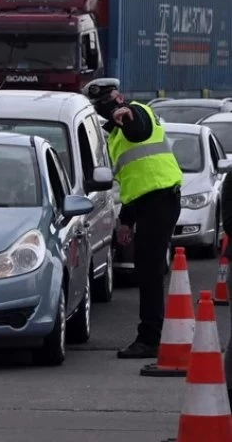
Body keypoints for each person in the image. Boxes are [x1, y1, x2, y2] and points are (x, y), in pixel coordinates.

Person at [82, 78, 183, 360]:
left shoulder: (137, 113)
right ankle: (151, 335)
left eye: (110, 101)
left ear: (120, 97)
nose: (107, 108)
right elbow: (134, 180)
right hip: (150, 203)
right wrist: (127, 220)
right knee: (145, 269)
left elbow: (138, 128)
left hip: (161, 201)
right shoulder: (115, 137)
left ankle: (150, 338)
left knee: (149, 271)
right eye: (100, 106)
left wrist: (123, 112)